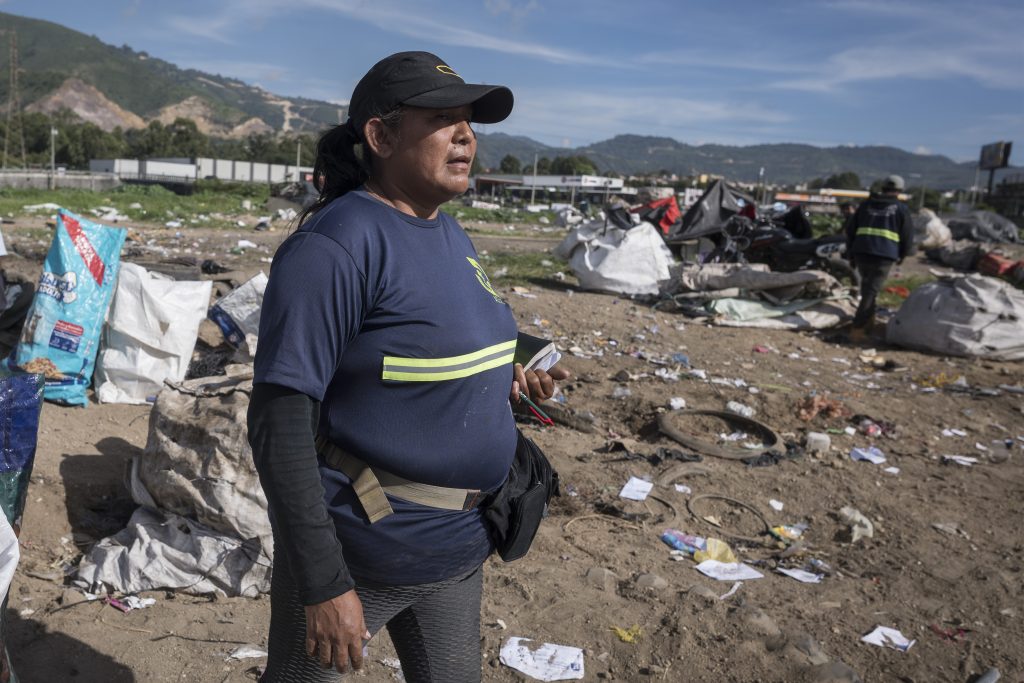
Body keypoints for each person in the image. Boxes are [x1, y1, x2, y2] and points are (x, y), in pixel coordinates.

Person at [247, 51, 569, 682]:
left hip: (459, 546)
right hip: (365, 553)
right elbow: (278, 426)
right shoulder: (335, 247)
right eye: (444, 119)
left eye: (470, 122)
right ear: (381, 135)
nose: (467, 135)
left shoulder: (449, 234)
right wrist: (322, 584)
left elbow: (425, 350)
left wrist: (502, 379)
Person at [845, 174, 915, 341]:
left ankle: (868, 324)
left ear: (883, 188)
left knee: (868, 289)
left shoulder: (865, 205)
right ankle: (857, 329)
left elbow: (850, 230)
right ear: (899, 191)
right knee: (870, 291)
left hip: (862, 252)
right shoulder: (900, 209)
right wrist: (903, 255)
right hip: (884, 255)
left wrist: (851, 254)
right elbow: (907, 235)